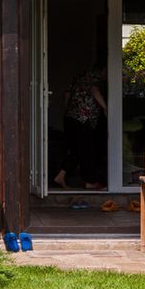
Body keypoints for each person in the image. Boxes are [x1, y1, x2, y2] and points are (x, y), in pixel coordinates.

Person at [58, 58, 107, 190]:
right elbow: (94, 90)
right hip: (83, 119)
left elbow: (67, 94)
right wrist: (105, 107)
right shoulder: (94, 78)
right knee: (87, 150)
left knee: (75, 149)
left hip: (70, 117)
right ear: (103, 70)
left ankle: (61, 175)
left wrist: (66, 112)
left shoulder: (80, 77)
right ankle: (90, 182)